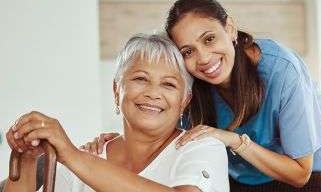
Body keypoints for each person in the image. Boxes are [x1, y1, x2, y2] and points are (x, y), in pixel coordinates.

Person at [84, 0, 321, 189]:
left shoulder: (281, 70)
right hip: (246, 178)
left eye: (209, 39)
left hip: (312, 172)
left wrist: (234, 140)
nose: (203, 58)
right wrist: (118, 144)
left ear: (230, 28)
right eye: (188, 51)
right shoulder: (192, 83)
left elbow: (300, 174)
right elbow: (160, 131)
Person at [2, 33, 229, 192]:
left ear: (184, 100)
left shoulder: (203, 147)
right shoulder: (87, 157)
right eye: (140, 79)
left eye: (168, 84)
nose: (153, 93)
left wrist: (72, 155)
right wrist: (27, 161)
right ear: (116, 89)